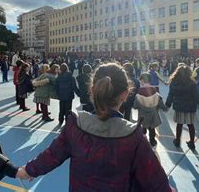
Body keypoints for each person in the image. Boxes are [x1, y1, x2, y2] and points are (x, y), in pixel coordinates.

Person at [19, 63, 173, 191]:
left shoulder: (75, 125)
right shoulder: (134, 137)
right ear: (125, 94)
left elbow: (52, 155)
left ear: (93, 90)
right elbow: (156, 183)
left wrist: (29, 170)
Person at [166, 65, 199, 150]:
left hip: (179, 106)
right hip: (190, 107)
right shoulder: (192, 83)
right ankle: (192, 143)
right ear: (189, 73)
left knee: (179, 124)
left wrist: (167, 105)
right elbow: (197, 97)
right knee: (190, 125)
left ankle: (177, 141)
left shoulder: (173, 83)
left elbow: (170, 95)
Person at [134, 73, 167, 147]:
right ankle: (152, 141)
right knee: (152, 129)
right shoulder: (155, 91)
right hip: (153, 115)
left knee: (143, 128)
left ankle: (142, 141)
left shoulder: (139, 92)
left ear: (142, 80)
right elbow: (160, 102)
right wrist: (164, 108)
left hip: (142, 116)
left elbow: (135, 106)